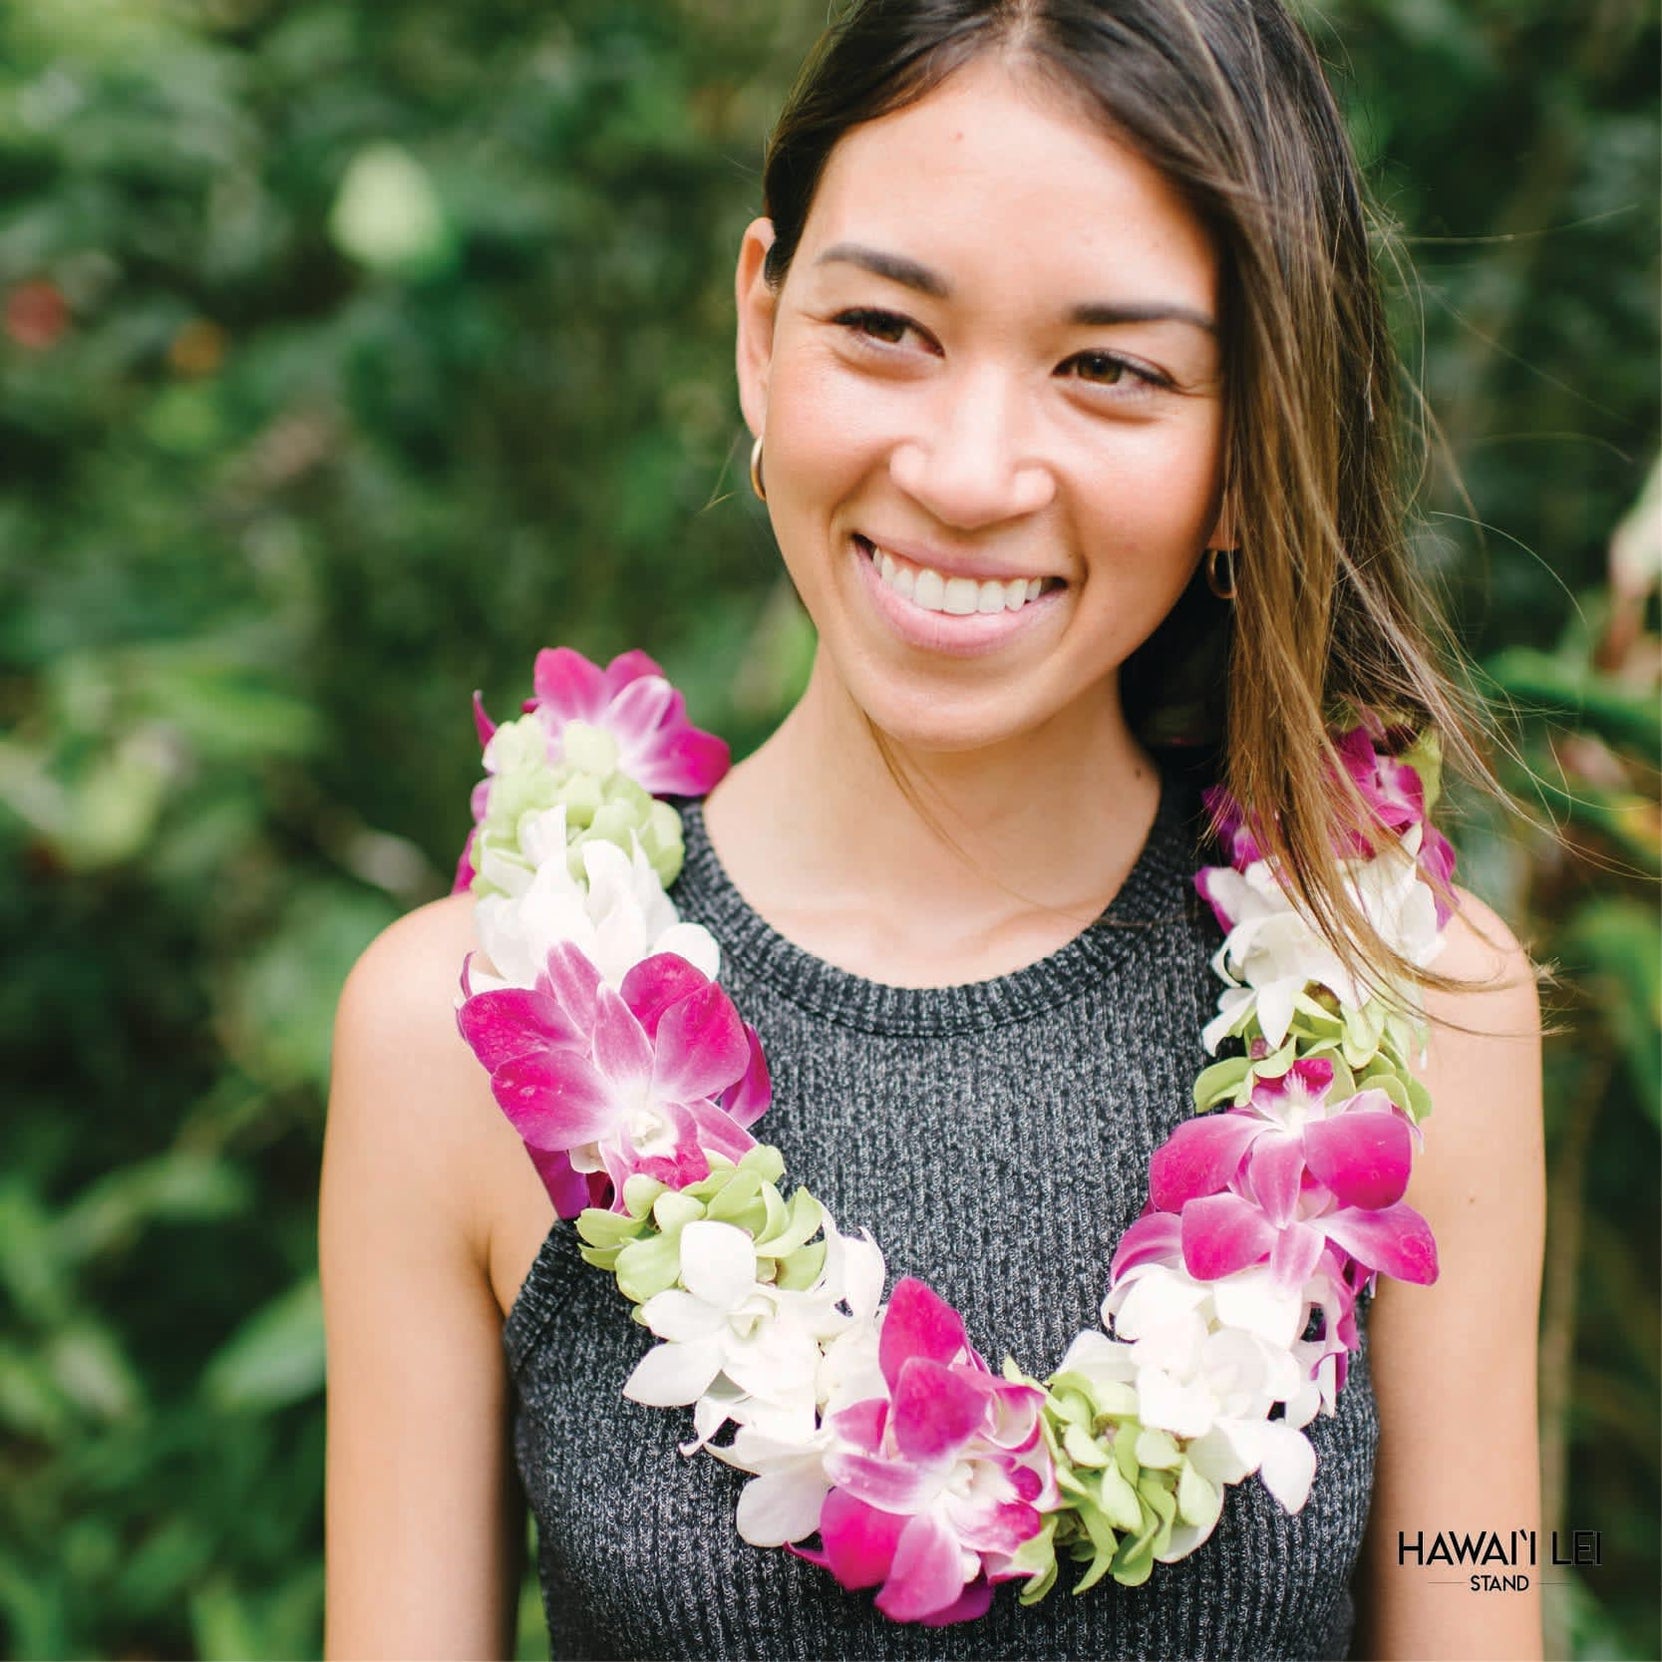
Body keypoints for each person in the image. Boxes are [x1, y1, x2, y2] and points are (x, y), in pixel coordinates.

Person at [320, 2, 1545, 1657]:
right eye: (886, 327)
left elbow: (1478, 1586)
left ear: (1252, 441)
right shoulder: (456, 1032)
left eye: (1108, 367)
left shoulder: (1419, 1006)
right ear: (761, 328)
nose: (969, 470)